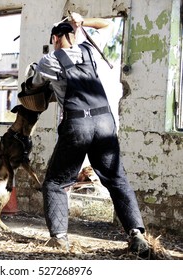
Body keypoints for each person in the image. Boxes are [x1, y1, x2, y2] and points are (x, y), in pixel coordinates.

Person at [29, 13, 150, 257]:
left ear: (55, 38)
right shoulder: (90, 50)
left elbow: (33, 86)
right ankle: (136, 234)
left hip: (77, 124)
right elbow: (106, 24)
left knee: (56, 182)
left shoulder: (48, 60)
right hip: (105, 122)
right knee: (117, 179)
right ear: (74, 35)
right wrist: (83, 21)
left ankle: (60, 238)